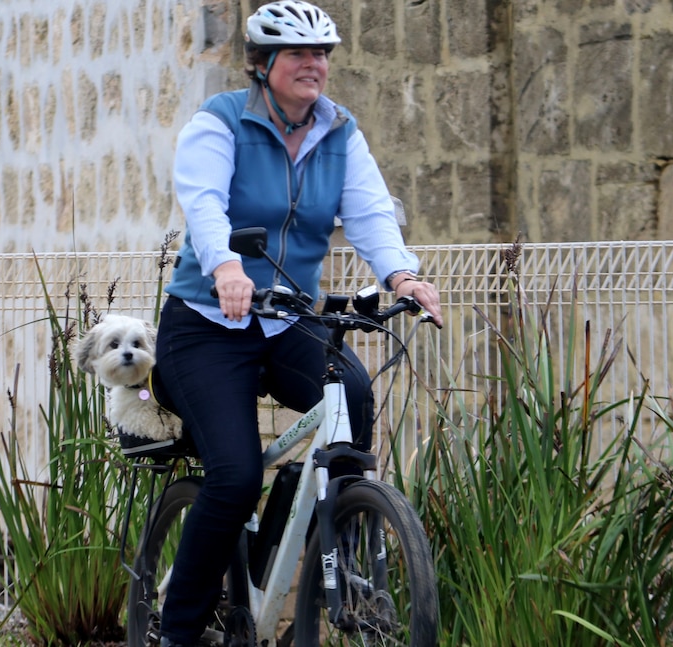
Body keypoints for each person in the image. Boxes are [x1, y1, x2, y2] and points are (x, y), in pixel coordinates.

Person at [152, 2, 443, 644]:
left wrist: (402, 276)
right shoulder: (221, 121)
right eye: (298, 54)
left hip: (284, 321)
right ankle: (176, 632)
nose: (314, 64)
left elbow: (369, 214)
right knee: (232, 473)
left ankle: (321, 572)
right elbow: (202, 202)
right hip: (205, 324)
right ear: (263, 66)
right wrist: (226, 266)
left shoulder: (340, 132)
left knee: (354, 396)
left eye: (323, 54)